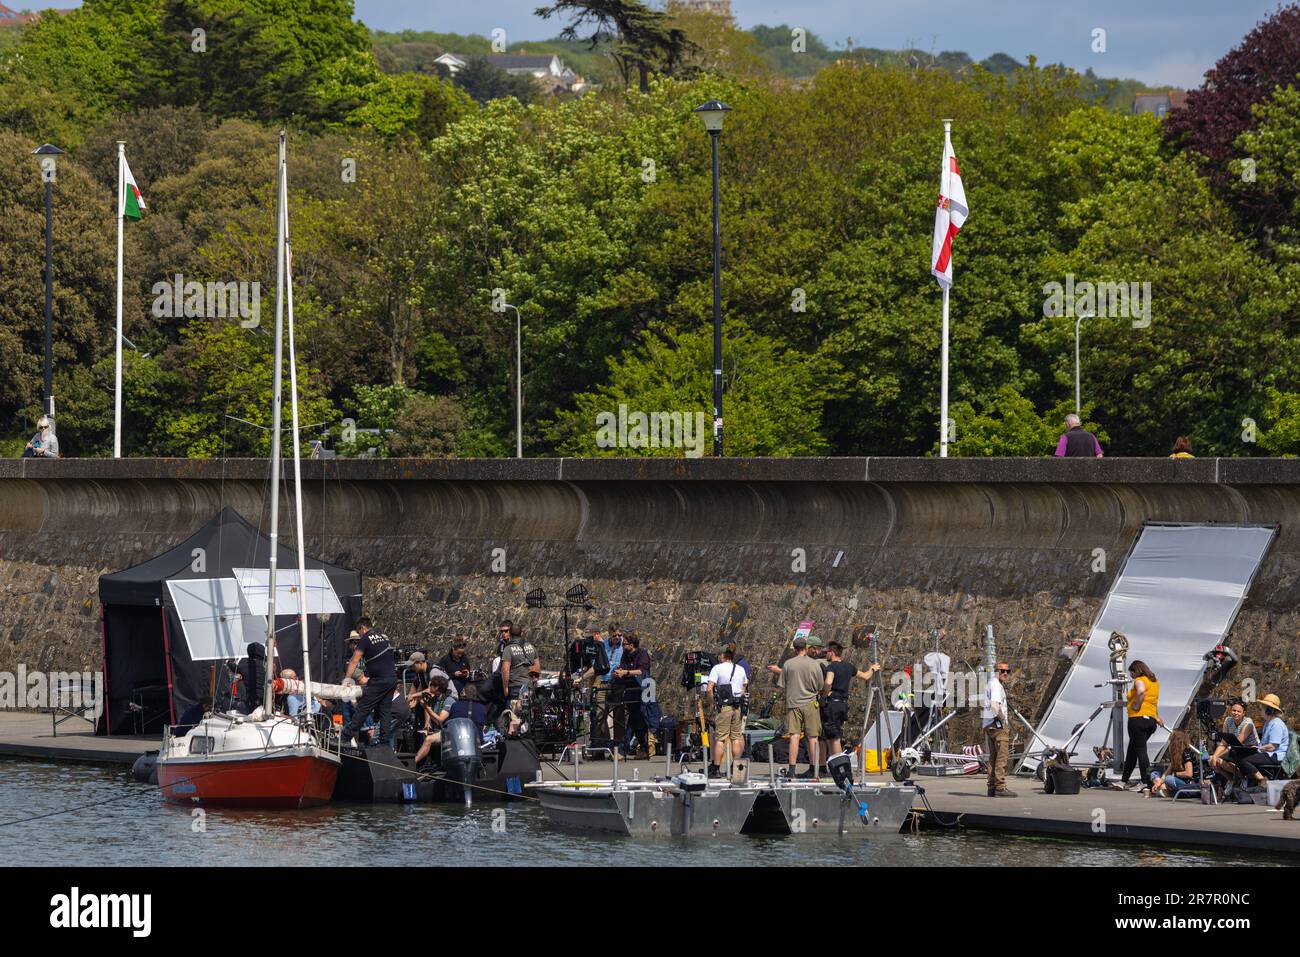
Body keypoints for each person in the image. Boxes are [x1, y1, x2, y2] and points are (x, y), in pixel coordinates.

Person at [766, 636, 823, 779]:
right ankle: (814, 768)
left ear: (795, 648)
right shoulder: (814, 664)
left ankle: (792, 769)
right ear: (806, 647)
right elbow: (820, 685)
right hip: (810, 702)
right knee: (813, 737)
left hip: (793, 703)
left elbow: (782, 683)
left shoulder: (788, 664)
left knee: (794, 736)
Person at [821, 641, 882, 767]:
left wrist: (824, 695)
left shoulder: (831, 667)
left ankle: (839, 765)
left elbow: (828, 682)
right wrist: (872, 668)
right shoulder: (849, 666)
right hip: (843, 704)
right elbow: (865, 676)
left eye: (827, 652)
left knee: (834, 735)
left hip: (833, 703)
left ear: (832, 653)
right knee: (833, 734)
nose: (825, 654)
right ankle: (834, 763)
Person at [342, 617, 397, 747]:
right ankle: (384, 743)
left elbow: (354, 661)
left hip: (379, 680)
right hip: (392, 678)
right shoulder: (383, 637)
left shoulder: (365, 639)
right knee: (385, 711)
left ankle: (345, 737)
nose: (359, 634)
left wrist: (347, 679)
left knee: (362, 709)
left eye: (359, 631)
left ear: (362, 628)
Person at [1120, 660, 1164, 791]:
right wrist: (1157, 717)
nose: (1131, 675)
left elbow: (1141, 692)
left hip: (1137, 719)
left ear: (1136, 671)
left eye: (1131, 672)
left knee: (1140, 751)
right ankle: (1123, 780)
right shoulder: (1154, 682)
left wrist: (1136, 704)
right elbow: (1152, 702)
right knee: (1133, 750)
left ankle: (1145, 781)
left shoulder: (1139, 680)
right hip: (1150, 720)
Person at [707, 646, 748, 780]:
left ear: (723, 655)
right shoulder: (740, 669)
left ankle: (716, 769)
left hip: (723, 707)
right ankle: (735, 768)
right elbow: (744, 687)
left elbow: (709, 689)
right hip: (737, 707)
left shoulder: (717, 668)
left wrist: (713, 702)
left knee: (720, 738)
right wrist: (739, 695)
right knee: (735, 737)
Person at [613, 633, 652, 758]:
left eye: (625, 644)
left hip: (643, 689)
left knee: (634, 719)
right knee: (636, 720)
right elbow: (622, 667)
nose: (623, 646)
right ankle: (644, 748)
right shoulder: (625, 655)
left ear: (632, 645)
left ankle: (622, 750)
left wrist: (626, 672)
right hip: (630, 688)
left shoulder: (642, 654)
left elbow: (642, 671)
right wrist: (619, 672)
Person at [1240, 694, 1289, 787]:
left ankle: (1262, 780)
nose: (1260, 711)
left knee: (1244, 760)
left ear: (1269, 710)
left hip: (1274, 756)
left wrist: (1259, 748)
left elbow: (1272, 747)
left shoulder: (1277, 725)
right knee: (1238, 755)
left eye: (1261, 709)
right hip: (1267, 753)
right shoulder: (1268, 723)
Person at [983, 661, 1015, 797]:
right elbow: (995, 706)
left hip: (988, 724)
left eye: (1008, 671)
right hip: (997, 725)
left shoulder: (991, 684)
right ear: (996, 671)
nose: (1005, 674)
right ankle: (1000, 787)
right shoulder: (996, 686)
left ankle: (991, 787)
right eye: (1002, 671)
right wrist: (1003, 720)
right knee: (1002, 756)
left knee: (993, 757)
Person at [1209, 699, 1258, 787]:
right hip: (1234, 750)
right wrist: (1215, 756)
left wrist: (1218, 756)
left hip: (1248, 750)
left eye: (1239, 711)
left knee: (1219, 760)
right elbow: (1223, 743)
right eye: (1234, 710)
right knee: (1211, 760)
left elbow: (1237, 743)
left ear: (1244, 713)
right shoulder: (1228, 721)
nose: (1236, 713)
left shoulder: (1248, 723)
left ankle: (1242, 777)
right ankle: (1231, 780)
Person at [412, 674, 455, 766]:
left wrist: (426, 708)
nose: (429, 686)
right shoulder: (435, 699)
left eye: (431, 685)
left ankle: (413, 763)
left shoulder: (448, 700)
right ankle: (425, 765)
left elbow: (440, 719)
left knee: (428, 739)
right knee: (419, 734)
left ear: (437, 687)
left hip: (448, 731)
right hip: (438, 729)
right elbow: (432, 716)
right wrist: (428, 724)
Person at [499, 624, 540, 713]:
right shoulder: (531, 647)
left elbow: (505, 670)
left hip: (515, 688)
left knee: (514, 717)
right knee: (529, 715)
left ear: (510, 633)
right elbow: (537, 667)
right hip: (529, 687)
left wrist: (505, 688)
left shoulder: (508, 649)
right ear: (521, 633)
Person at [1149, 729, 1201, 797]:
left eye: (1171, 741)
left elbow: (1189, 773)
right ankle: (1165, 789)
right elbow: (1167, 771)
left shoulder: (1186, 753)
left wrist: (1175, 774)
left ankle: (1170, 791)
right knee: (1154, 774)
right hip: (1180, 781)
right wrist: (1159, 783)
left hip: (1190, 784)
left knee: (1169, 779)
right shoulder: (1176, 755)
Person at [235, 642, 268, 715]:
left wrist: (227, 662)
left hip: (251, 706)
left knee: (236, 706)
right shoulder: (267, 665)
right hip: (267, 705)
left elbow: (234, 667)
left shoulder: (244, 665)